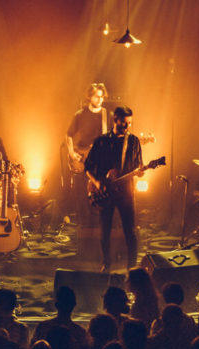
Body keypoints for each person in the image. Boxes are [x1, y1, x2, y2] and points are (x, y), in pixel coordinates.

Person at [84, 106, 143, 272]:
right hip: (104, 192)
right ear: (115, 119)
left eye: (129, 123)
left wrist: (140, 172)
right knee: (105, 230)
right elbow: (87, 166)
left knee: (130, 231)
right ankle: (106, 263)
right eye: (124, 123)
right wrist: (97, 183)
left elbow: (139, 167)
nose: (127, 127)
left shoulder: (133, 141)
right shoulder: (101, 141)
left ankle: (132, 267)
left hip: (126, 192)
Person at [64, 83, 111, 222]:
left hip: (101, 159)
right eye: (97, 97)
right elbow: (68, 135)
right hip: (84, 158)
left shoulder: (107, 115)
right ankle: (83, 222)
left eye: (102, 97)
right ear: (90, 96)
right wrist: (72, 154)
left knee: (103, 190)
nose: (100, 100)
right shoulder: (80, 115)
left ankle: (100, 222)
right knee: (81, 191)